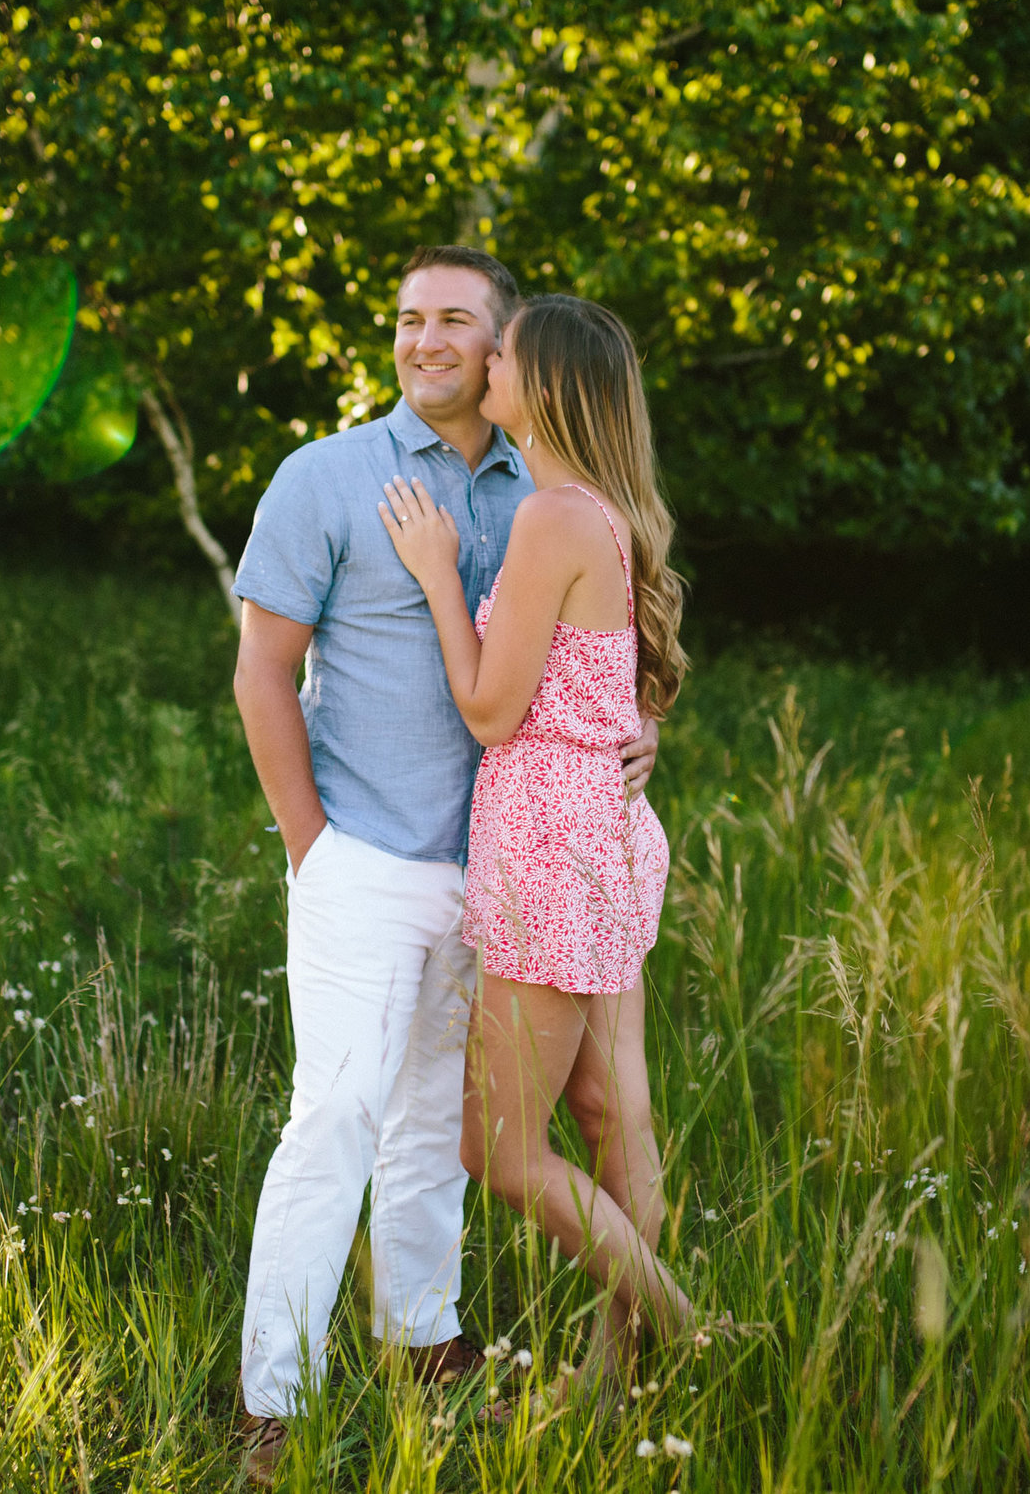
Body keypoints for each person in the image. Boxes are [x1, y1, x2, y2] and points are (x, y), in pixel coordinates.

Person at [228, 247, 659, 1484]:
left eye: (454, 321)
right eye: (407, 317)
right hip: (362, 856)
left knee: (433, 1127)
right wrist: (310, 845)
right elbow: (262, 669)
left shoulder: (548, 484)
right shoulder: (326, 476)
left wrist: (633, 732)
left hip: (507, 868)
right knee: (336, 1118)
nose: (423, 340)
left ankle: (422, 1339)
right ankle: (275, 1400)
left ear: (503, 346)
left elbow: (592, 651)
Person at [376, 293, 694, 1407]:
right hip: (594, 834)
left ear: (542, 384)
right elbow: (606, 687)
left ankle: (681, 1327)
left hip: (549, 850)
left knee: (500, 1153)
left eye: (501, 349)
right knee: (612, 1113)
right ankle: (617, 1378)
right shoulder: (597, 511)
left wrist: (431, 566)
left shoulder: (550, 518)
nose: (485, 358)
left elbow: (488, 708)